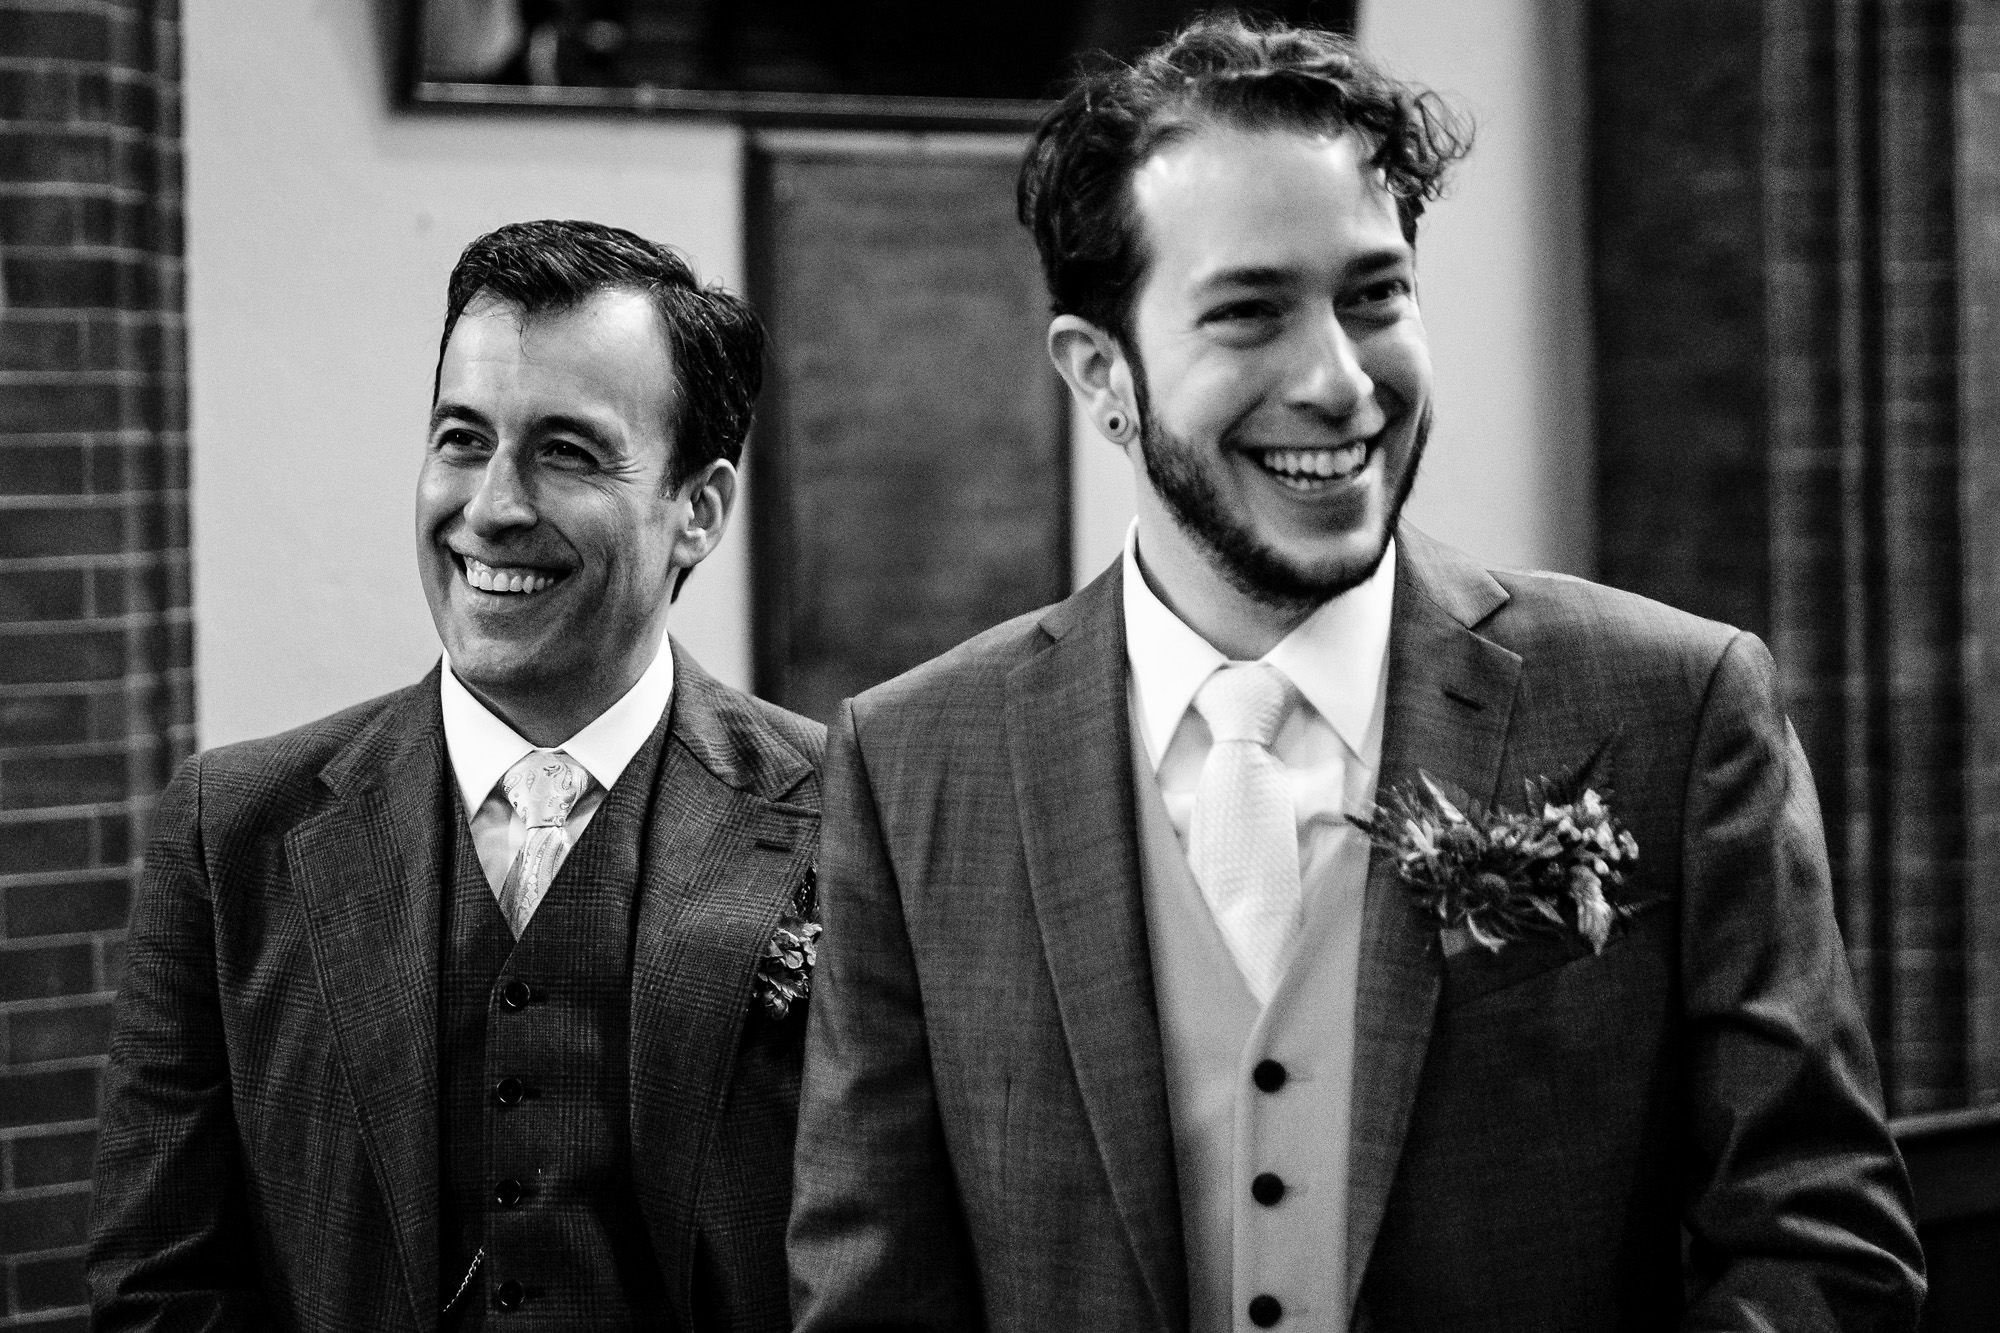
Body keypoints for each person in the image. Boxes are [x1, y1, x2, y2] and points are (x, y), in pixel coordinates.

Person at [788, 16, 1924, 1332]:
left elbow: (1821, 1241)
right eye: (1250, 313)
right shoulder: (914, 762)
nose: (1338, 382)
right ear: (1102, 374)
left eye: (1373, 296)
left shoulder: (1672, 707)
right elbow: (872, 1297)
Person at [89, 220, 823, 1331]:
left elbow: (898, 1267)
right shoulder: (227, 831)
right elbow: (161, 1289)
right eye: (462, 439)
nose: (491, 506)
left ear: (699, 510)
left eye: (567, 451)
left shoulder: (852, 818)